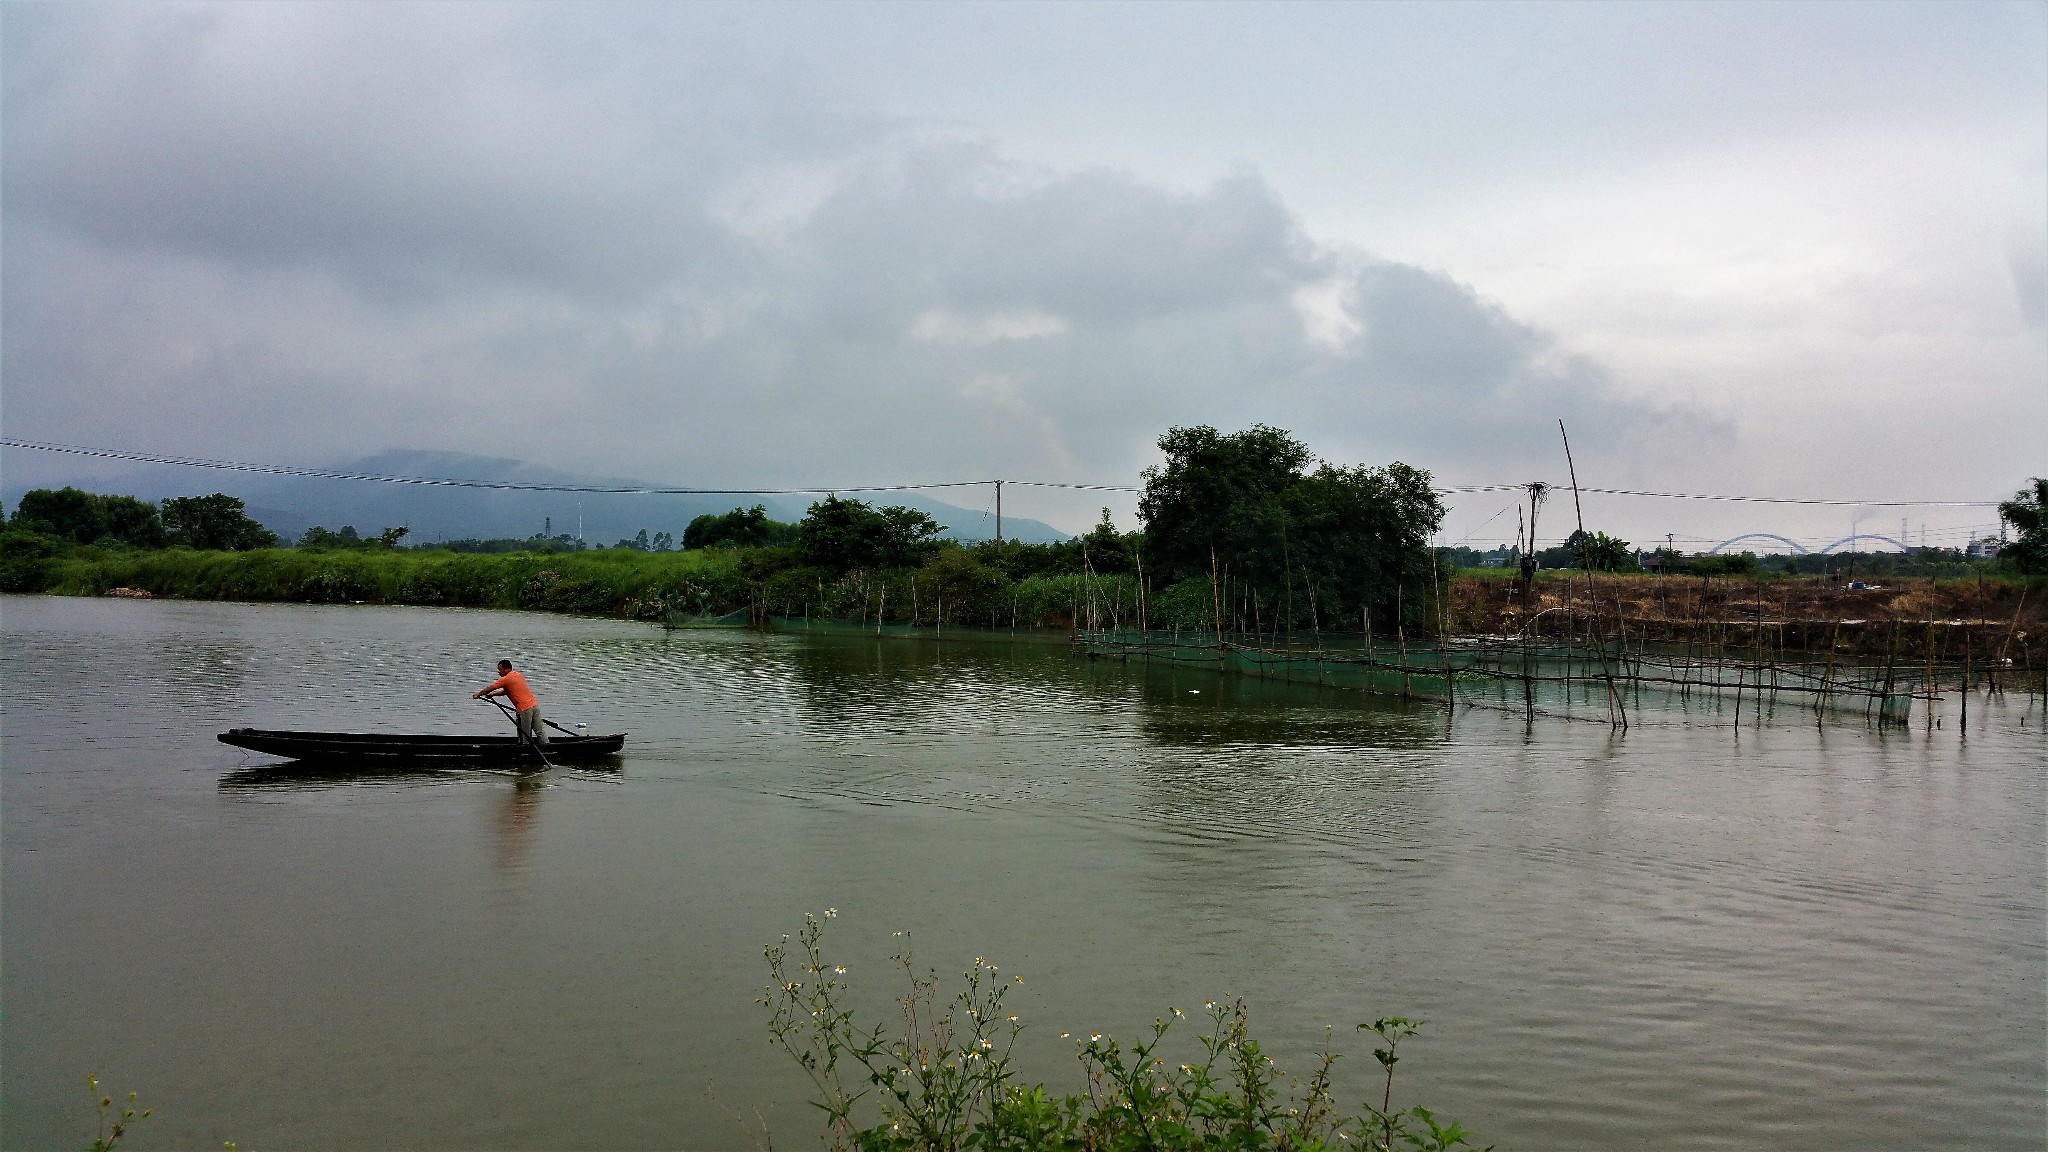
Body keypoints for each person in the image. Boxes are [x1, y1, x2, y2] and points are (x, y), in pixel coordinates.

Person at [474, 659, 547, 748]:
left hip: (524, 709)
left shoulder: (506, 678)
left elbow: (491, 687)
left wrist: (479, 694)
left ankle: (525, 752)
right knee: (540, 731)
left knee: (525, 734)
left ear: (507, 669)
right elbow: (507, 691)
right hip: (534, 706)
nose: (498, 672)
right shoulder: (518, 675)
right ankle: (548, 748)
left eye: (500, 669)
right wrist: (492, 695)